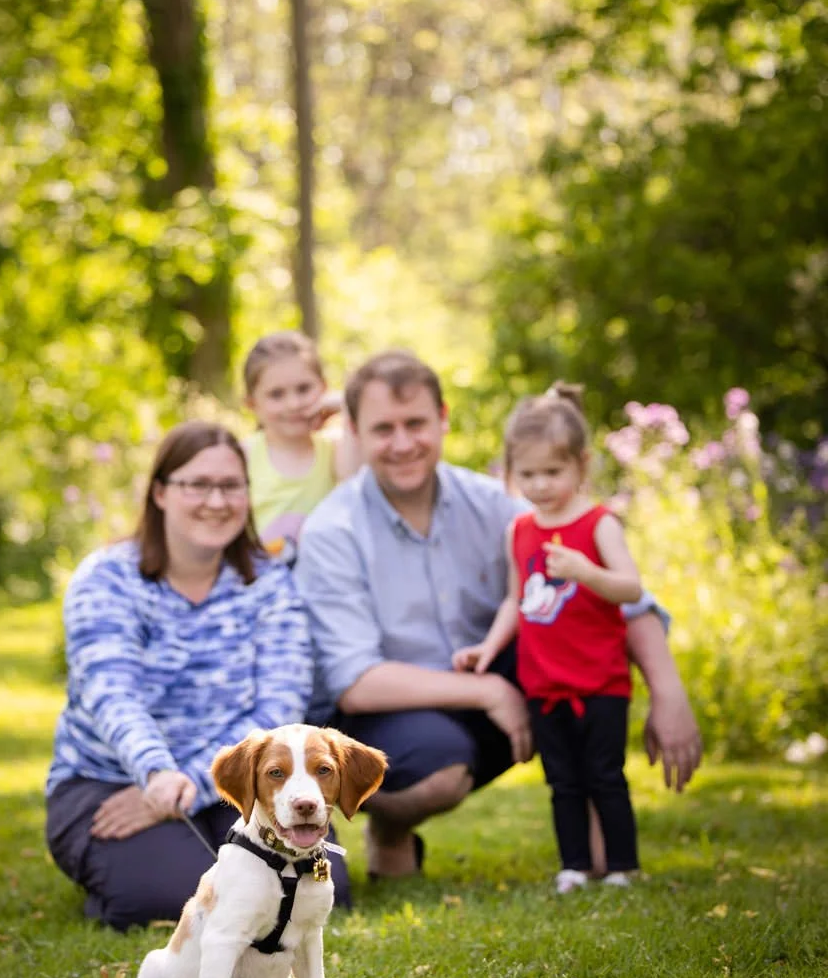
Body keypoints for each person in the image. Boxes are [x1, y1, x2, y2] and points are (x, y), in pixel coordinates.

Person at [294, 350, 703, 880]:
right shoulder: (334, 531)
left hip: (488, 680)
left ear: (442, 419)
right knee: (438, 771)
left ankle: (600, 846)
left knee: (574, 646)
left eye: (416, 423)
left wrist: (668, 695)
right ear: (354, 430)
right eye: (383, 429)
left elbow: (616, 595)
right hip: (387, 713)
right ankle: (390, 827)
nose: (402, 444)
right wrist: (492, 692)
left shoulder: (494, 506)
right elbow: (355, 683)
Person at [45, 421, 348, 930]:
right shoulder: (106, 578)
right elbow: (110, 692)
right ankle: (121, 880)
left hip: (225, 778)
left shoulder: (269, 582)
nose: (217, 500)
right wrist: (156, 772)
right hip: (109, 780)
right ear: (161, 492)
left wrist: (187, 781)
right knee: (171, 891)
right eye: (197, 484)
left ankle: (174, 843)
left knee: (316, 876)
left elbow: (280, 705)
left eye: (231, 485)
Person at [454, 384, 643, 894]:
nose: (540, 485)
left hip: (599, 681)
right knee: (562, 782)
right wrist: (488, 649)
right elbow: (516, 601)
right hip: (545, 683)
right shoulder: (520, 530)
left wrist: (586, 571)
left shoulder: (597, 524)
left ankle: (623, 866)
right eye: (528, 474)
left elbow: (631, 586)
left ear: (581, 465)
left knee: (605, 776)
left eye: (552, 473)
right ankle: (574, 866)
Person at [242, 330, 359, 556]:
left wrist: (344, 405)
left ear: (324, 388)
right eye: (276, 395)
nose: (293, 404)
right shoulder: (243, 455)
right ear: (252, 404)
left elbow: (354, 492)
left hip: (323, 581)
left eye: (304, 389)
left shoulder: (335, 449)